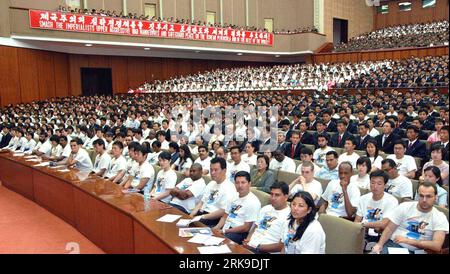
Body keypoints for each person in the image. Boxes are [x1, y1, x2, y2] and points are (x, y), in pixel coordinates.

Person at [372, 182, 449, 254]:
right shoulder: (405, 206)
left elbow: (436, 246)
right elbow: (390, 228)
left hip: (417, 251)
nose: (424, 200)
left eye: (428, 196)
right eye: (421, 196)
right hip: (393, 245)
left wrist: (408, 241)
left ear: (436, 197)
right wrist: (379, 244)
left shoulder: (439, 217)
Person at [213, 171, 261, 245]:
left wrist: (225, 231)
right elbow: (225, 216)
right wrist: (216, 228)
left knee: (218, 243)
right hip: (226, 228)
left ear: (249, 184)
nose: (240, 185)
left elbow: (246, 227)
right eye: (237, 183)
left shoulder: (253, 202)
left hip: (240, 233)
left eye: (243, 182)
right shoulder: (233, 196)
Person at [354, 170, 398, 249]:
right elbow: (357, 220)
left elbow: (383, 223)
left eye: (379, 183)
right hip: (363, 232)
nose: (375, 186)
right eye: (373, 182)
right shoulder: (363, 198)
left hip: (380, 234)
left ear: (385, 185)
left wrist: (363, 224)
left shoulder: (392, 201)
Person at [243, 182, 290, 254]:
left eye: (277, 195)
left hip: (266, 251)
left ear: (286, 197)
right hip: (251, 246)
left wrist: (256, 247)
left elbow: (280, 246)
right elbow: (255, 227)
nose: (273, 198)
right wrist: (248, 239)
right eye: (271, 194)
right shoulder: (266, 208)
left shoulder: (289, 217)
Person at [190, 157, 238, 227]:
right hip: (202, 214)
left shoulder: (229, 187)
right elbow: (201, 202)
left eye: (216, 170)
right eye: (211, 169)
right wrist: (192, 214)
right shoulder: (211, 183)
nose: (212, 173)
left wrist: (203, 217)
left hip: (213, 218)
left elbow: (223, 211)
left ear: (224, 171)